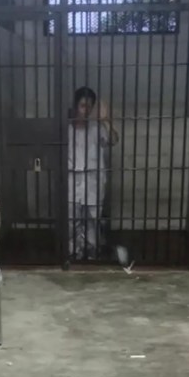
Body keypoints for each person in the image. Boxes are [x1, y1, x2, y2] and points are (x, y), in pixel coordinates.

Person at [67, 86, 119, 262]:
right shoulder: (66, 129)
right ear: (75, 106)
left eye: (89, 106)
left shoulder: (97, 128)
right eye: (83, 105)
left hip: (93, 182)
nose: (86, 110)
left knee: (92, 221)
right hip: (71, 182)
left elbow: (113, 140)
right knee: (72, 221)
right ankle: (73, 253)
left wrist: (107, 120)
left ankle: (91, 254)